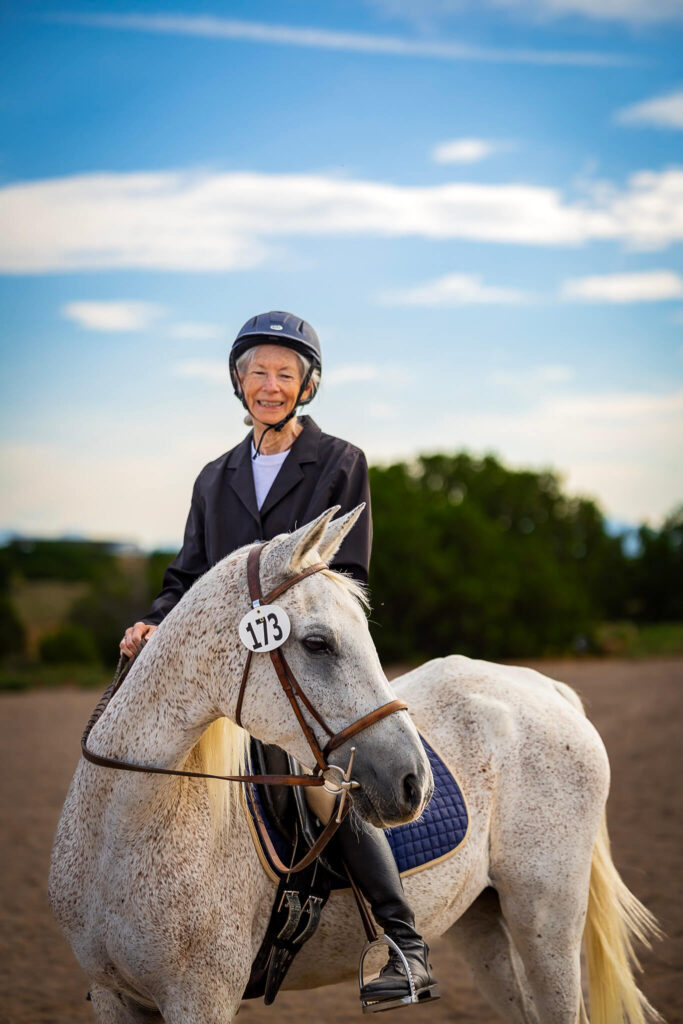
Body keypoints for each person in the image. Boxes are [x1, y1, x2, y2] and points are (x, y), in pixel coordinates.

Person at [121, 310, 437, 1007]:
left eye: (284, 374)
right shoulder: (214, 477)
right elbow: (189, 575)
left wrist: (275, 618)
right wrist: (152, 622)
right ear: (238, 382)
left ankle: (404, 944)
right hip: (227, 669)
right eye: (258, 373)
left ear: (307, 385)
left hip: (306, 657)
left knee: (330, 777)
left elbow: (343, 572)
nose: (270, 385)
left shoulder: (339, 462)